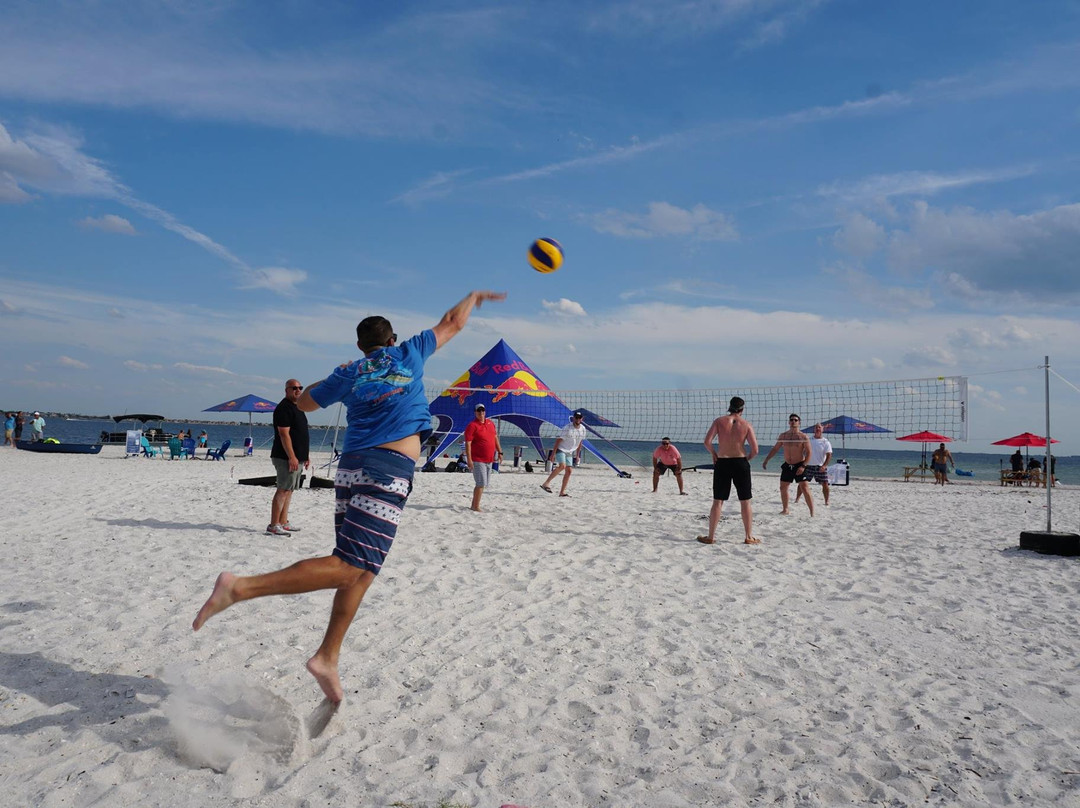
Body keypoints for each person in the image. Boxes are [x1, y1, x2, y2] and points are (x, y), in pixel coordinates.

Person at [193, 290, 505, 704]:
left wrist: (335, 376)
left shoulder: (350, 372)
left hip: (352, 468)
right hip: (386, 470)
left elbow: (304, 403)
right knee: (349, 565)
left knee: (362, 569)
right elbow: (453, 321)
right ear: (392, 340)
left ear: (360, 345)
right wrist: (474, 296)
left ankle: (327, 656)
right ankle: (240, 588)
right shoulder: (410, 353)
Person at [698, 396, 759, 545]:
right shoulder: (746, 425)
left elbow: (707, 442)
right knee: (745, 501)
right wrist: (746, 460)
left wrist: (714, 454)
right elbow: (755, 450)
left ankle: (711, 536)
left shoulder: (719, 421)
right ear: (742, 409)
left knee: (718, 501)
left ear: (730, 407)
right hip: (740, 462)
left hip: (722, 462)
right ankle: (748, 536)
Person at [267, 378, 310, 536]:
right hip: (285, 456)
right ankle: (274, 524)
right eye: (294, 388)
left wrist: (305, 456)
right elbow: (284, 434)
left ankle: (283, 522)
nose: (298, 390)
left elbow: (300, 434)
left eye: (300, 387)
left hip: (297, 457)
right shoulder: (284, 408)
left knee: (290, 489)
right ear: (286, 390)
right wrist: (292, 457)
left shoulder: (298, 407)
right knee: (283, 489)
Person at [762, 414, 813, 516]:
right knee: (783, 487)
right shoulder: (783, 436)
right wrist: (767, 459)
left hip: (799, 464)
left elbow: (809, 452)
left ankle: (812, 512)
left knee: (805, 487)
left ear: (799, 422)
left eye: (796, 420)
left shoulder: (803, 437)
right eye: (791, 420)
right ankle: (785, 509)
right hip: (787, 465)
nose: (793, 421)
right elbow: (775, 449)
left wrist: (803, 466)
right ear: (789, 422)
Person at [464, 403, 503, 512]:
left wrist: (500, 452)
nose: (481, 413)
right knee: (480, 483)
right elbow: (468, 443)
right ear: (475, 413)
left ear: (485, 412)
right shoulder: (472, 426)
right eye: (478, 411)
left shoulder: (490, 423)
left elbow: (495, 438)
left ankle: (474, 505)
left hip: (489, 459)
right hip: (478, 459)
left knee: (484, 484)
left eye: (482, 411)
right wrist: (469, 459)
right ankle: (475, 507)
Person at [540, 411, 586, 497]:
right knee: (562, 466)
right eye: (576, 417)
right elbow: (558, 440)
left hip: (570, 451)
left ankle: (562, 492)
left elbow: (580, 442)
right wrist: (552, 454)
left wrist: (578, 455)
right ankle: (546, 484)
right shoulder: (567, 428)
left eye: (579, 418)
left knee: (569, 471)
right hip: (561, 449)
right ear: (573, 418)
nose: (578, 419)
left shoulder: (582, 429)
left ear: (582, 419)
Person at [801, 423, 833, 506]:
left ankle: (826, 501)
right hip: (808, 466)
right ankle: (797, 499)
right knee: (802, 482)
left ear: (822, 429)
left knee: (825, 484)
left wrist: (824, 465)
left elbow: (829, 455)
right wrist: (802, 463)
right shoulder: (809, 440)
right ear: (814, 430)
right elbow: (803, 452)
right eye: (816, 427)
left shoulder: (825, 442)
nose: (817, 429)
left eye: (819, 427)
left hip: (820, 466)